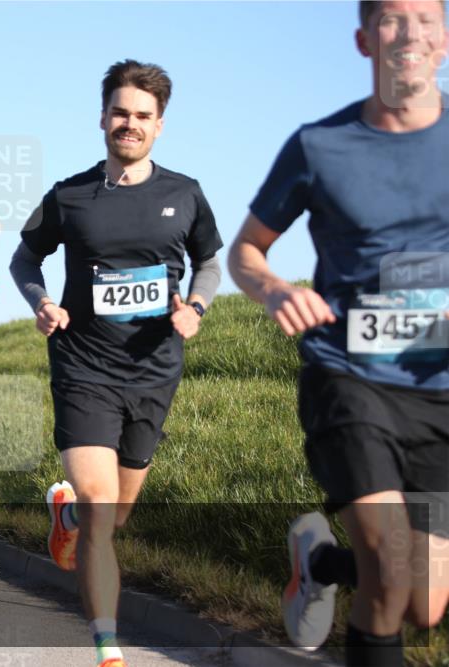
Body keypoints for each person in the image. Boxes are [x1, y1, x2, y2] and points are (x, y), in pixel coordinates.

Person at [228, 2, 448, 664]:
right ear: (363, 40)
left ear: (444, 37)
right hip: (349, 375)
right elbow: (246, 251)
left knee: (424, 601)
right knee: (387, 568)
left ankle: (320, 560)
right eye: (390, 18)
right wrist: (275, 289)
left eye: (425, 18)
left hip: (436, 384)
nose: (408, 32)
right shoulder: (318, 145)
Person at [10, 60, 223, 667]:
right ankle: (109, 649)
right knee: (105, 510)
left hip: (154, 371)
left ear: (160, 126)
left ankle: (66, 514)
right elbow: (25, 262)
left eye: (143, 116)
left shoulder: (184, 194)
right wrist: (42, 302)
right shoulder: (69, 195)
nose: (130, 124)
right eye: (121, 113)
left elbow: (209, 260)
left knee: (115, 512)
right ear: (103, 117)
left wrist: (198, 308)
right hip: (84, 368)